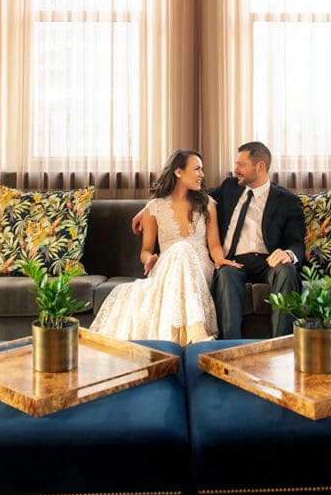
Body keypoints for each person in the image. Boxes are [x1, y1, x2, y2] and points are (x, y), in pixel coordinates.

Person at [132, 141, 305, 340]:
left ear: (260, 167)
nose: (235, 169)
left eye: (241, 164)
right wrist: (146, 209)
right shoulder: (230, 187)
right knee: (224, 275)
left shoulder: (287, 200)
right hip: (233, 261)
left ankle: (283, 346)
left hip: (269, 262)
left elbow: (297, 243)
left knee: (287, 270)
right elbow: (186, 194)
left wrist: (288, 253)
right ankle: (229, 348)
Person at [91, 149, 232, 345]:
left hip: (200, 268)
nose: (202, 174)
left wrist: (220, 260)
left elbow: (214, 245)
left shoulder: (208, 204)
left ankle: (183, 337)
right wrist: (149, 259)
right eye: (197, 169)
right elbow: (146, 250)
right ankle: (195, 333)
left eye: (202, 170)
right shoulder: (154, 207)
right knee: (180, 250)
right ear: (178, 172)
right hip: (167, 268)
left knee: (184, 249)